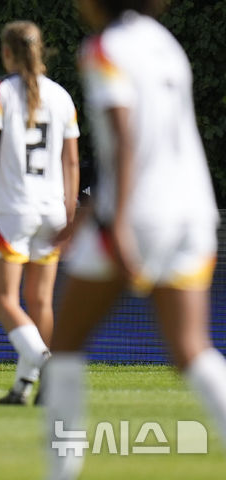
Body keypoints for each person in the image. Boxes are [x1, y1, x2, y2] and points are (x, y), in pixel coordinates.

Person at [43, 1, 226, 479]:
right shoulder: (165, 44)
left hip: (139, 215)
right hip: (192, 213)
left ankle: (61, 472)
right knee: (192, 350)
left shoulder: (104, 47)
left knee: (65, 346)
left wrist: (113, 221)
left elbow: (125, 139)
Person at [0, 21, 80, 405]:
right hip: (53, 211)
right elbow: (72, 162)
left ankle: (45, 364)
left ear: (7, 52)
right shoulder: (61, 96)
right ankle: (25, 388)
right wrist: (70, 214)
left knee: (3, 299)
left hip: (13, 210)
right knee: (40, 302)